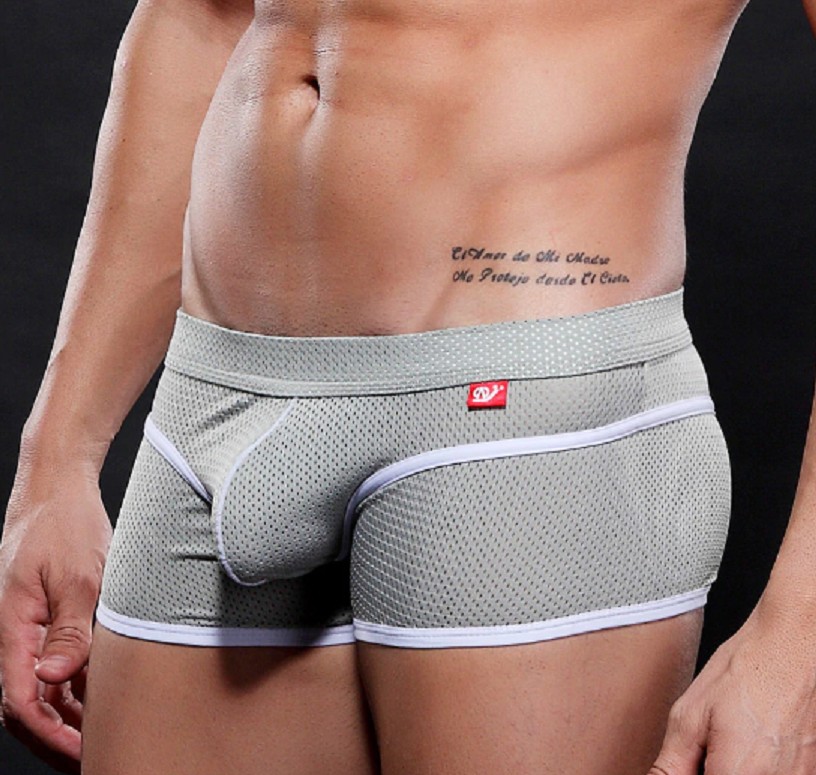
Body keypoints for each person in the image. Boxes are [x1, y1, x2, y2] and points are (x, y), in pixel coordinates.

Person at [1, 0, 815, 772]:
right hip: (217, 405)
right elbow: (200, 19)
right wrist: (57, 456)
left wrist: (801, 640)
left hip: (525, 419)